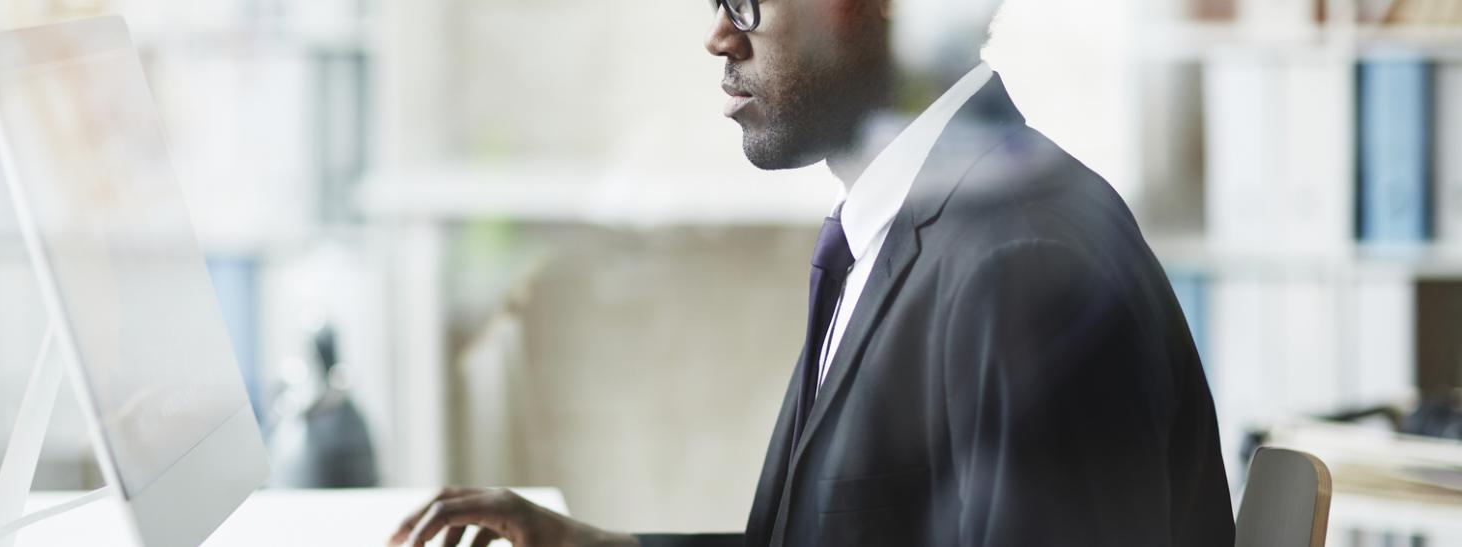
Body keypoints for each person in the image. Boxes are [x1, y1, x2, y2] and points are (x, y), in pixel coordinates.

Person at [387, 0, 1235, 545]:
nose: (719, 35)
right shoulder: (901, 229)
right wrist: (597, 546)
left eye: (747, 2)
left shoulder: (1020, 271)